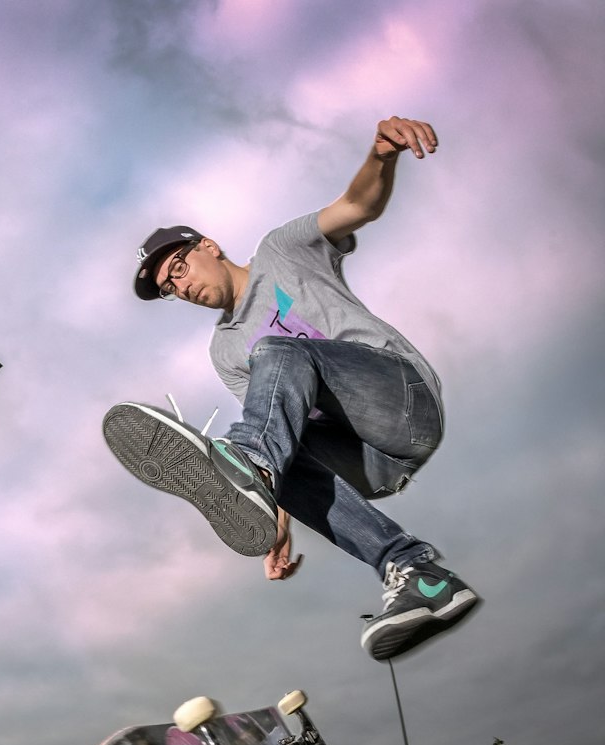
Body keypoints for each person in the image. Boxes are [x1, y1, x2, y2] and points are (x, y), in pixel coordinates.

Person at [105, 116, 479, 661]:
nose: (181, 286)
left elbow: (358, 206)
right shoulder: (223, 351)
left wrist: (381, 155)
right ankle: (419, 574)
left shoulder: (281, 251)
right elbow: (280, 430)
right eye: (169, 288)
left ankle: (250, 467)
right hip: (372, 463)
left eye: (180, 267)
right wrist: (273, 522)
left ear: (208, 245)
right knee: (273, 452)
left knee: (277, 352)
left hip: (402, 400)